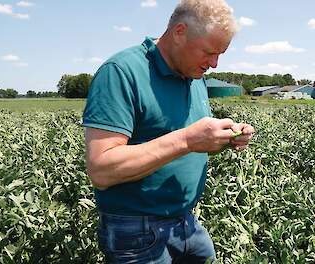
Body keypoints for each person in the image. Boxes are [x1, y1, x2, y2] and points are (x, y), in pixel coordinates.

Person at [82, 0, 254, 263]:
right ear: (179, 32)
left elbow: (181, 145)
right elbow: (101, 170)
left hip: (185, 221)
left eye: (221, 53)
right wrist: (188, 139)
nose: (215, 63)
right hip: (136, 232)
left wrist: (222, 139)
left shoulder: (194, 75)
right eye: (209, 52)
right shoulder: (121, 72)